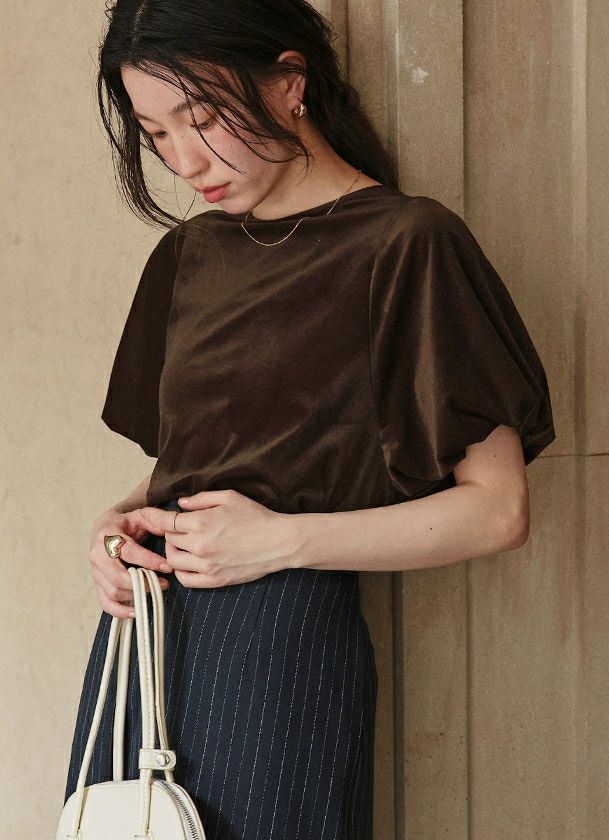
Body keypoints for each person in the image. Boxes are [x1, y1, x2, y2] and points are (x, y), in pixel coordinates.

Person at [62, 1, 556, 838]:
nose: (184, 160)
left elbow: (498, 511)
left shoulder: (406, 243)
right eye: (156, 134)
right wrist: (119, 525)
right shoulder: (189, 255)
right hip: (148, 637)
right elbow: (207, 462)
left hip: (279, 644)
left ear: (290, 82)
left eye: (202, 118)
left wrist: (281, 542)